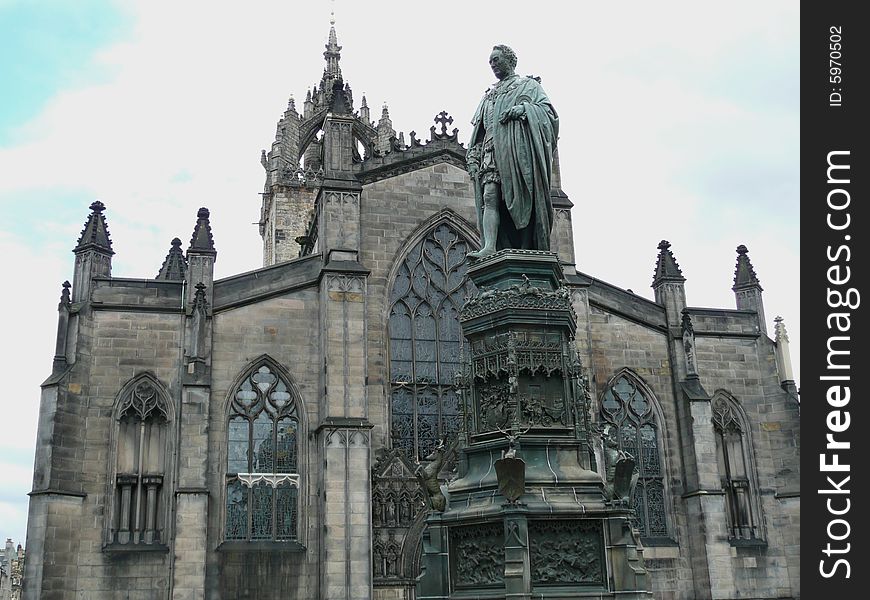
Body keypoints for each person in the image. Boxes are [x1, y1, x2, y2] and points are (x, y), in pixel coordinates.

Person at [466, 45, 559, 258]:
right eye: (490, 61)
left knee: (523, 198)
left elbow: (549, 114)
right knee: (490, 196)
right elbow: (479, 131)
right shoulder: (488, 96)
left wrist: (523, 110)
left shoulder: (528, 85)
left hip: (517, 152)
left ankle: (527, 249)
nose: (492, 64)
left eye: (496, 59)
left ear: (510, 60)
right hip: (491, 150)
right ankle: (489, 247)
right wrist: (472, 155)